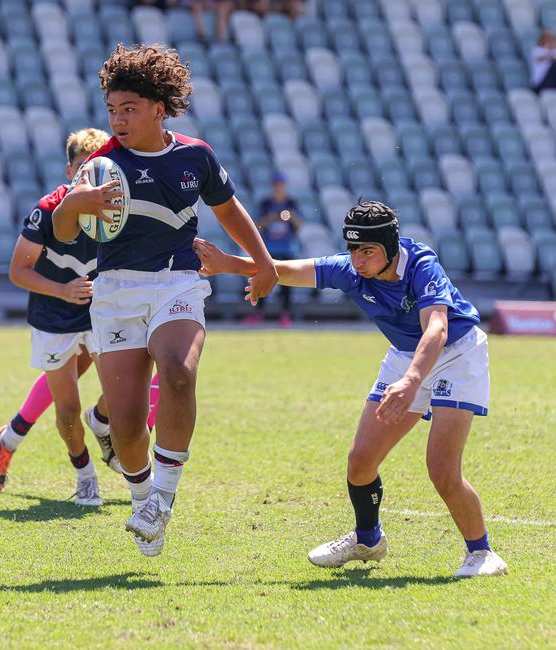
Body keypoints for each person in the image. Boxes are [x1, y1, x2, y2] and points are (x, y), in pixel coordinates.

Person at [193, 200, 508, 578]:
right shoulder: (351, 272)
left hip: (456, 353)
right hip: (405, 354)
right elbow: (284, 270)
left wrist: (410, 381)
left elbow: (437, 329)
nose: (358, 260)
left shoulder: (421, 265)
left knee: (441, 468)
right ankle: (368, 540)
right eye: (353, 250)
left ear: (390, 247)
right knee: (360, 461)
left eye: (368, 251)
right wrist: (228, 263)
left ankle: (482, 552)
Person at [52, 44, 278, 556]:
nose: (118, 119)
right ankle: (141, 498)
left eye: (128, 109)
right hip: (115, 292)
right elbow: (66, 233)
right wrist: (76, 204)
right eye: (111, 110)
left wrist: (262, 262)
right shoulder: (100, 166)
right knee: (128, 427)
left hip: (178, 280)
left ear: (158, 107)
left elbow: (229, 208)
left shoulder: (194, 156)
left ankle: (163, 498)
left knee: (178, 371)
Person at [0, 128, 160, 505]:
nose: (91, 181)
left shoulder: (119, 210)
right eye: (83, 171)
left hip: (100, 313)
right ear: (69, 171)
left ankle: (101, 424)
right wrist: (63, 290)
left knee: (127, 387)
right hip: (54, 315)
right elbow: (18, 271)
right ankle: (84, 475)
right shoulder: (47, 210)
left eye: (98, 170)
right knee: (66, 409)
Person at [252, 171, 302, 327]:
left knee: (286, 285)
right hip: (269, 249)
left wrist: (291, 216)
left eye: (280, 185)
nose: (278, 188)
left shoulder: (291, 203)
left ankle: (285, 315)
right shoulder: (266, 204)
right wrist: (271, 218)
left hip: (287, 249)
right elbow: (257, 225)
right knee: (263, 280)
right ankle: (259, 313)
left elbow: (300, 225)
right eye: (276, 185)